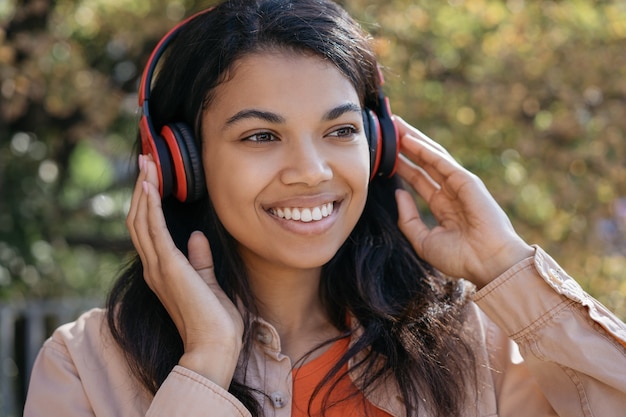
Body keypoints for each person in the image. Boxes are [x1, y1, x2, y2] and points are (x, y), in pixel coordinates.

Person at [24, 0, 626, 416]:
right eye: (260, 136)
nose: (312, 170)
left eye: (339, 132)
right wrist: (205, 363)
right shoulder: (85, 366)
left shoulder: (470, 344)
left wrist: (507, 266)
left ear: (378, 143)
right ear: (182, 163)